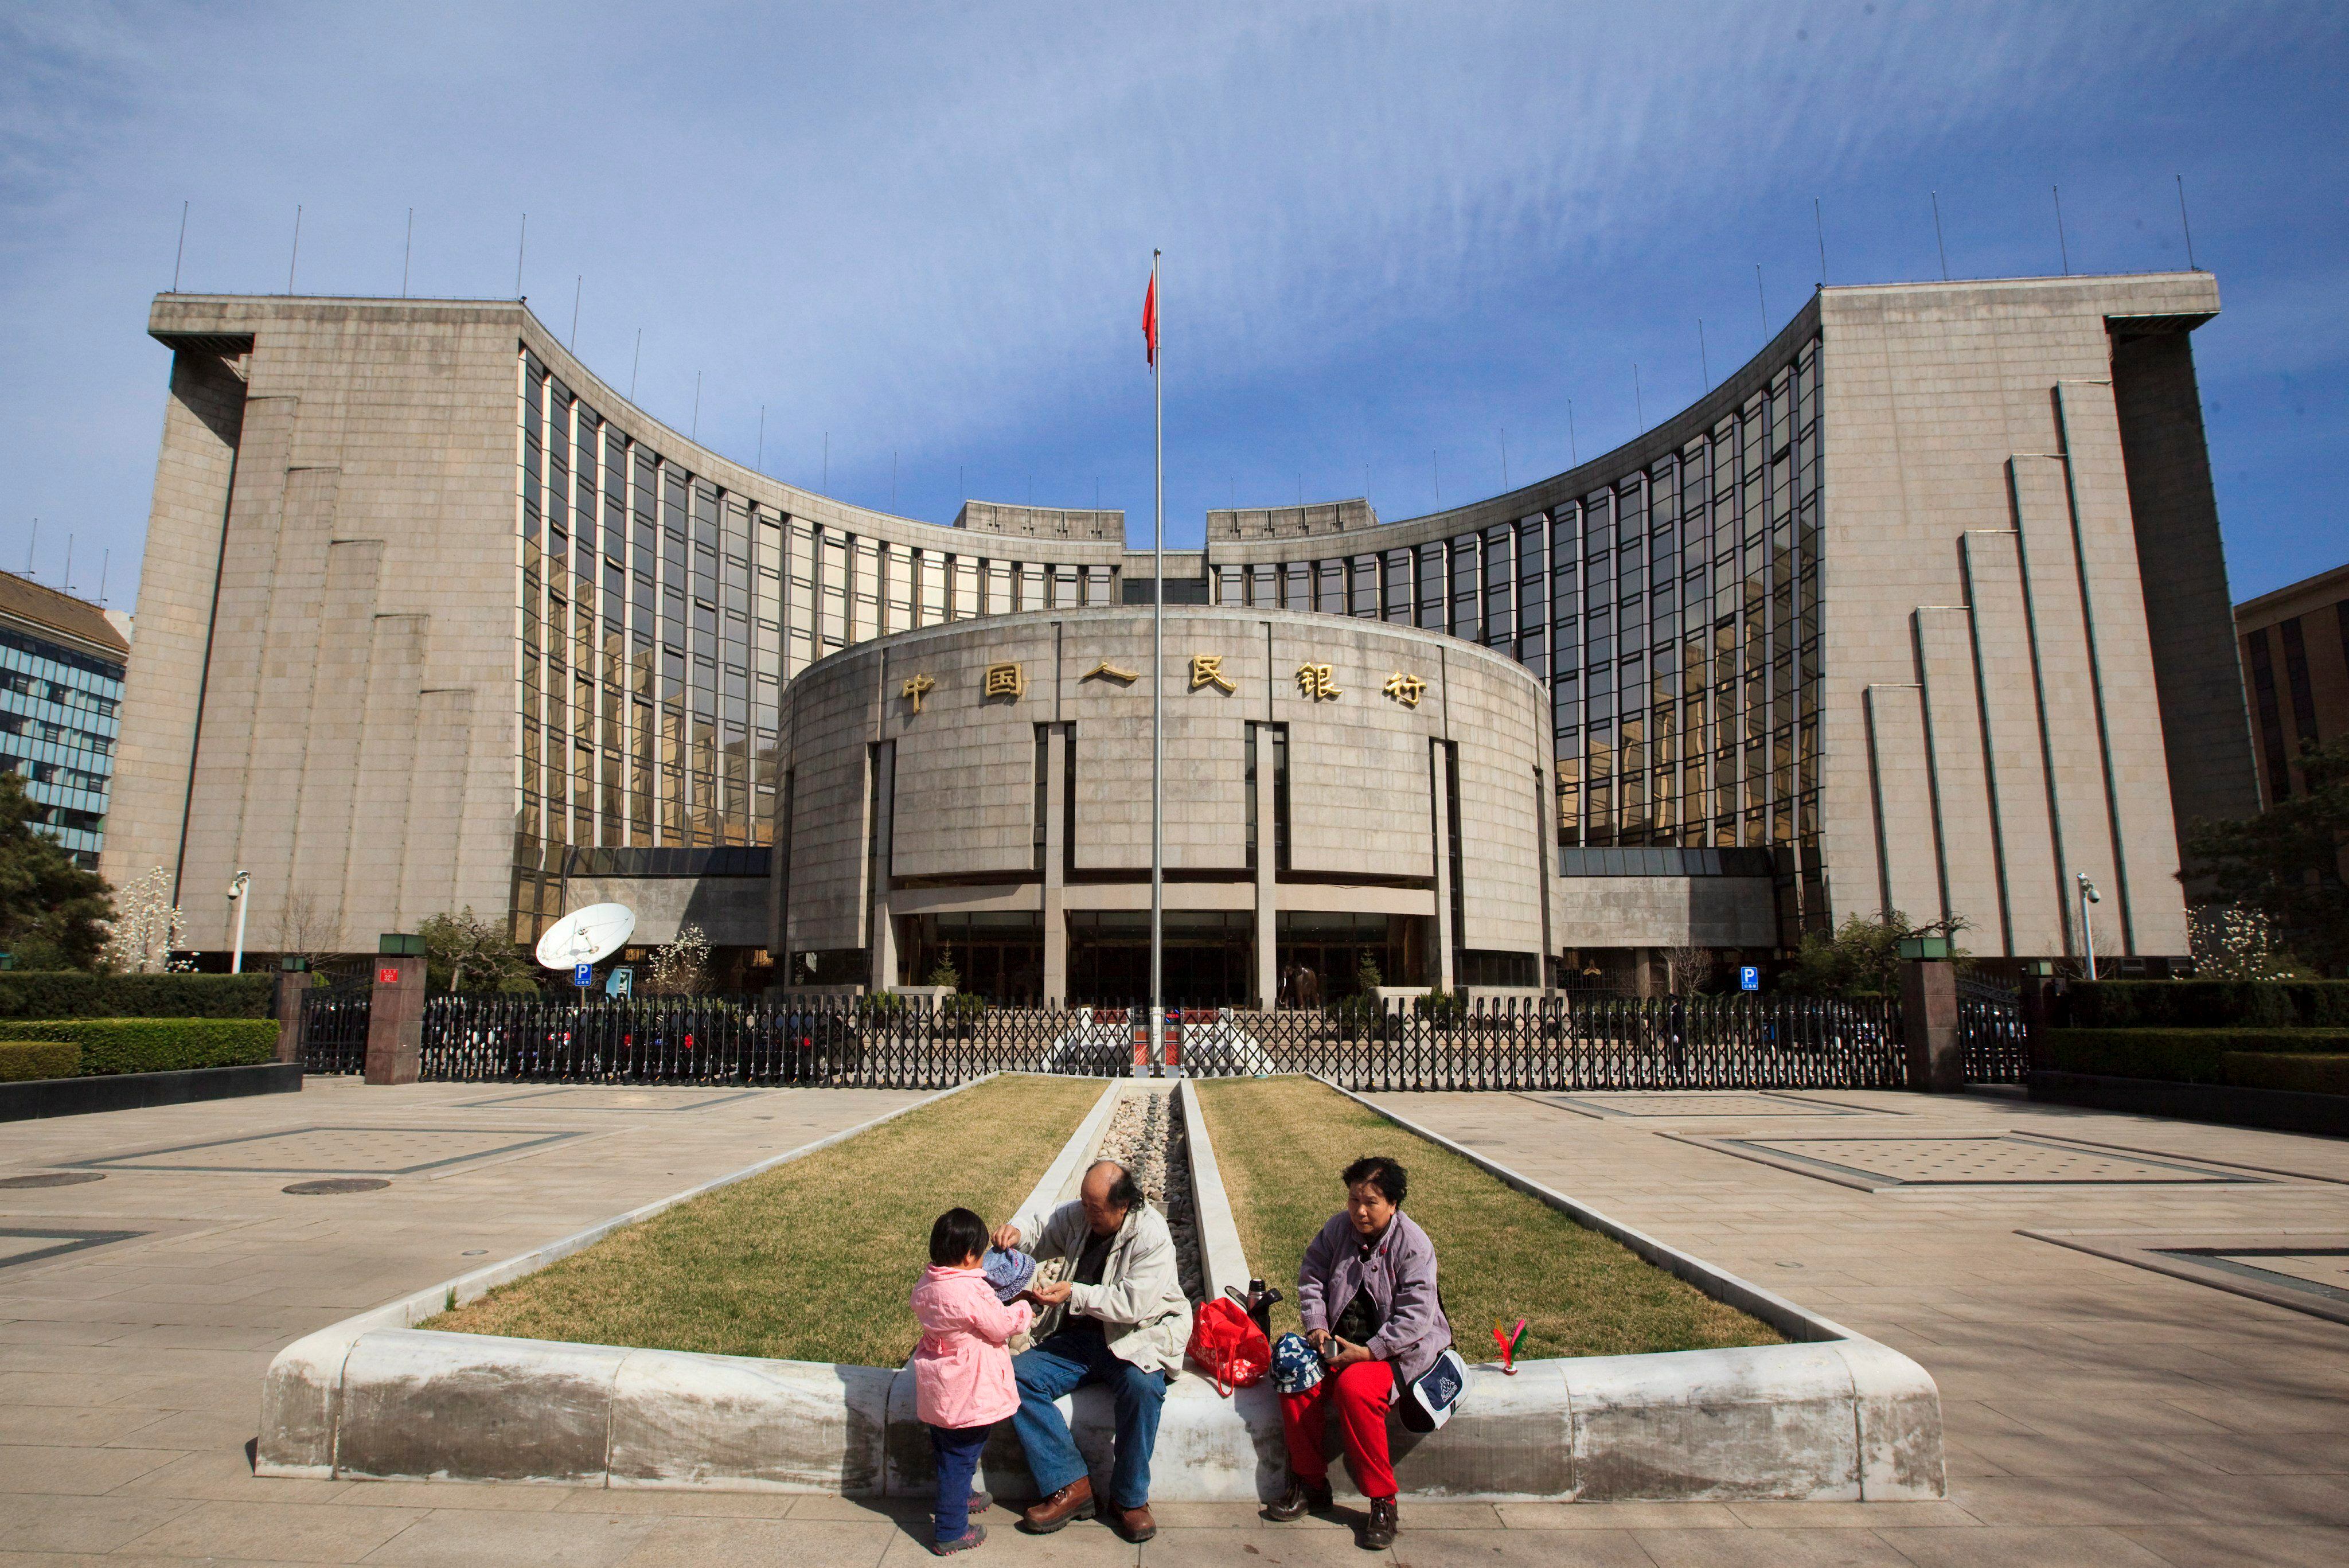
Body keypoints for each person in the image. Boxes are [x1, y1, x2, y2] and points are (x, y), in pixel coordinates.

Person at [994, 1159, 1192, 1543]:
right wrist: (1018, 1233)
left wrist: (1074, 1292)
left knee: (1143, 1388)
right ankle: (1071, 1485)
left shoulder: (1152, 1235)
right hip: (1082, 1339)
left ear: (1123, 1206)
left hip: (1137, 1337)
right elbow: (1045, 1227)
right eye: (1084, 1203)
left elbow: (1133, 1304)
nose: (1086, 1212)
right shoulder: (1083, 1214)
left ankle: (1130, 1500)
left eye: (1095, 1207)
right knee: (1015, 1377)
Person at [1265, 1154, 1445, 1551]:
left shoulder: (1413, 1245)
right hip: (1336, 1342)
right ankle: (1310, 1482)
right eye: (1353, 1200)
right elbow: (1312, 1272)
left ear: (1394, 1203)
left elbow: (1417, 1319)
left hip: (1393, 1354)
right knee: (1289, 1364)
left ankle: (1382, 1500)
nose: (1360, 1212)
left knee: (1355, 1389)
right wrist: (1315, 1324)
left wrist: (1367, 1353)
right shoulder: (1337, 1229)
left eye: (1372, 1202)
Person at [911, 1207, 1033, 1556]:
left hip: (940, 1388)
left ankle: (960, 1493)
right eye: (980, 1254)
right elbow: (998, 1325)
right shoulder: (971, 1292)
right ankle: (951, 1530)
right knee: (962, 1455)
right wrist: (1024, 1311)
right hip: (968, 1388)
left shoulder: (927, 1286)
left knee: (948, 1448)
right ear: (969, 1256)